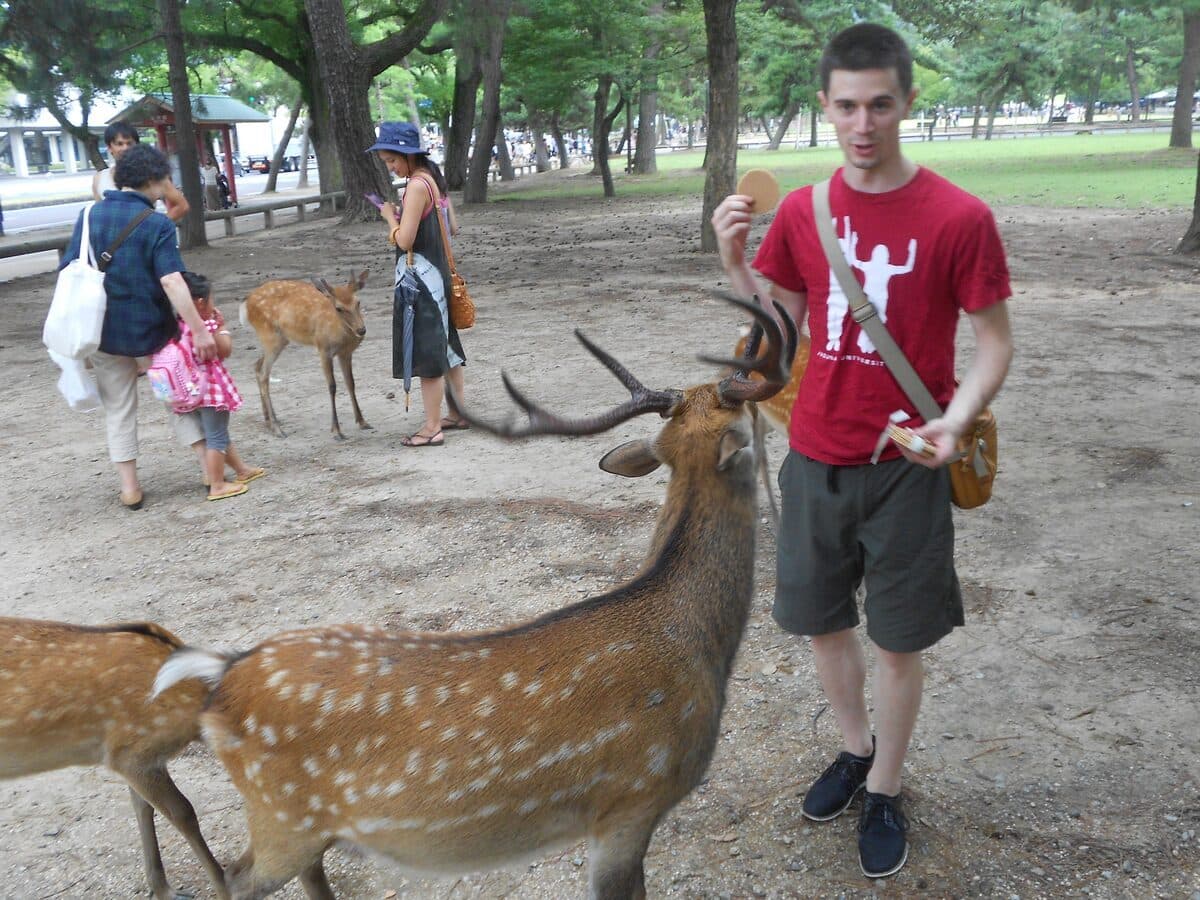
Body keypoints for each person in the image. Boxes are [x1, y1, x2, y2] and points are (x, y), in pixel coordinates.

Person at [711, 23, 1013, 879]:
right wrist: (735, 263)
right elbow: (776, 341)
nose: (864, 122)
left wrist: (954, 420)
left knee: (897, 641)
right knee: (823, 623)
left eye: (881, 103)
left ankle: (884, 785)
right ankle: (852, 748)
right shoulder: (804, 213)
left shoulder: (961, 218)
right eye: (847, 105)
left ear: (908, 102)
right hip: (814, 458)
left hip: (905, 468)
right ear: (826, 107)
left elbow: (993, 342)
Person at [63, 143, 217, 509]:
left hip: (101, 330)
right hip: (151, 330)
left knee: (118, 406)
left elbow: (69, 267)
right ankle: (207, 468)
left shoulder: (89, 216)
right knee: (177, 396)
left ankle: (130, 487)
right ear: (153, 179)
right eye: (165, 179)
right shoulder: (157, 223)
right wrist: (197, 329)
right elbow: (171, 281)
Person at [367, 120, 468, 448]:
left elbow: (405, 239)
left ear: (407, 155)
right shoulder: (433, 180)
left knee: (428, 355)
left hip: (420, 282)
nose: (392, 168)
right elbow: (452, 226)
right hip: (437, 278)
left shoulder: (415, 186)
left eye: (392, 161)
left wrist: (389, 219)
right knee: (447, 348)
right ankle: (458, 412)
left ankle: (431, 427)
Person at [175, 272, 265, 501]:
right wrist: (221, 326)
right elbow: (224, 349)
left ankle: (241, 469)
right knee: (216, 437)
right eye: (212, 299)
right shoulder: (203, 326)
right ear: (201, 302)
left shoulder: (177, 326)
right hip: (211, 391)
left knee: (218, 433)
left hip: (190, 391)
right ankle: (217, 484)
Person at [92, 123, 190, 223]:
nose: (125, 148)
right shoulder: (100, 178)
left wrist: (156, 227)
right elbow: (98, 216)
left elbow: (182, 206)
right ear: (109, 147)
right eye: (119, 144)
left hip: (145, 237)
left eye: (129, 143)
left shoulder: (153, 174)